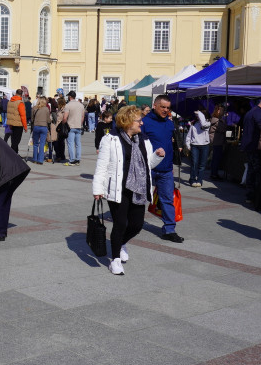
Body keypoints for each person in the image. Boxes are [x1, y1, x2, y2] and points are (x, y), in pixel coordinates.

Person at [93, 105, 166, 275]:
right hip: (117, 189)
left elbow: (147, 166)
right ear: (127, 121)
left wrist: (157, 156)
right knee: (120, 223)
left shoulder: (143, 140)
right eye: (138, 120)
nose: (141, 122)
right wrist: (97, 189)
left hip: (138, 189)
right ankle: (115, 260)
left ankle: (121, 242)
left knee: (136, 225)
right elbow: (101, 167)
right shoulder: (110, 139)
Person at [142, 94, 183, 243]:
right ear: (155, 106)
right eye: (163, 107)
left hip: (165, 169)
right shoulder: (144, 122)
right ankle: (132, 222)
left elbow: (170, 144)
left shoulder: (169, 123)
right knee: (140, 197)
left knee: (167, 200)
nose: (166, 110)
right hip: (148, 168)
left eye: (168, 108)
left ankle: (169, 230)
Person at [241, 98, 261, 209]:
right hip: (254, 145)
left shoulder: (251, 112)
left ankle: (250, 195)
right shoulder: (259, 113)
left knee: (251, 170)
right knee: (256, 171)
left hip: (249, 145)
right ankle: (255, 196)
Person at [185, 108, 210, 187]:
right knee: (194, 163)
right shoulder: (193, 124)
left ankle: (199, 180)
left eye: (199, 114)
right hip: (195, 145)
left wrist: (200, 113)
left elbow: (203, 124)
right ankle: (192, 179)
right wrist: (188, 145)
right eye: (197, 115)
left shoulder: (207, 123)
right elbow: (189, 136)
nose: (197, 116)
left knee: (202, 165)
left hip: (205, 145)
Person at [62, 91, 85, 165]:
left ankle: (72, 159)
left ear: (69, 97)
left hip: (70, 126)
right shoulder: (81, 105)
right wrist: (80, 124)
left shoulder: (68, 105)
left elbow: (65, 117)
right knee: (78, 143)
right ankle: (78, 159)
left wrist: (63, 123)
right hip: (78, 126)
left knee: (70, 144)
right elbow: (82, 117)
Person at [5, 89, 28, 154]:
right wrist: (25, 126)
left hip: (11, 123)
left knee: (13, 140)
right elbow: (23, 115)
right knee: (16, 141)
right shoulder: (20, 102)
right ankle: (11, 154)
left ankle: (16, 154)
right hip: (18, 124)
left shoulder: (10, 101)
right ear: (22, 94)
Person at [209, 105, 227, 180]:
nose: (223, 112)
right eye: (222, 110)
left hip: (216, 141)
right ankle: (214, 174)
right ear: (218, 111)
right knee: (216, 158)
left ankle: (214, 173)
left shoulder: (216, 120)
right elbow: (223, 129)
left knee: (215, 158)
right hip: (217, 141)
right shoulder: (217, 121)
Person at [30, 97, 50, 164]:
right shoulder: (46, 109)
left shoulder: (34, 108)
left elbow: (32, 119)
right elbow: (48, 120)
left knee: (35, 144)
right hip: (44, 127)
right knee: (42, 144)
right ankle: (40, 160)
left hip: (36, 126)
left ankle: (35, 159)